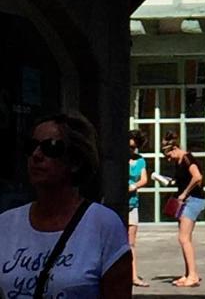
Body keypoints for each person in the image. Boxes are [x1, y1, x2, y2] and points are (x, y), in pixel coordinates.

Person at [0, 111, 131, 299]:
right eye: (31, 146)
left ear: (76, 161)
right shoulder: (6, 224)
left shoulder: (103, 225)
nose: (36, 155)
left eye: (50, 147)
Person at [162, 131, 205, 288]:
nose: (167, 159)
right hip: (188, 200)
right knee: (184, 238)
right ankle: (188, 273)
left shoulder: (187, 158)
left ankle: (193, 275)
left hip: (193, 200)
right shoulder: (179, 162)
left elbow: (197, 177)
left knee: (183, 238)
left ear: (174, 148)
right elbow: (183, 179)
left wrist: (184, 194)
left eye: (168, 155)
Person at [129, 129, 149, 287]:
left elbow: (144, 179)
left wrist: (134, 185)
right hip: (117, 204)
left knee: (131, 243)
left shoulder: (140, 160)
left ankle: (133, 275)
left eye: (133, 147)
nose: (131, 150)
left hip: (132, 204)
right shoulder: (118, 160)